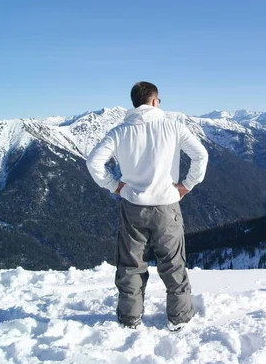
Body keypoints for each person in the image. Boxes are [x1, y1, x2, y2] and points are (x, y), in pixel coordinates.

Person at [86, 81, 209, 331]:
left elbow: (93, 162)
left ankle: (130, 319)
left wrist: (114, 186)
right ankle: (180, 318)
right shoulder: (173, 126)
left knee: (131, 264)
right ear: (154, 101)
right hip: (167, 205)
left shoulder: (120, 131)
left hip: (133, 205)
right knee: (173, 263)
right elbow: (201, 155)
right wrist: (186, 185)